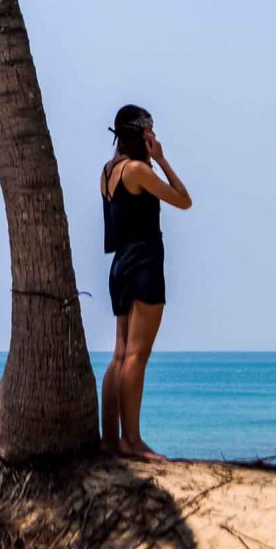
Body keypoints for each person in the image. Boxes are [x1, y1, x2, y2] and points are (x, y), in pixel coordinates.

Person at [99, 104, 191, 460]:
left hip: (120, 264)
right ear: (142, 135)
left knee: (120, 354)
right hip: (144, 263)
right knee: (137, 355)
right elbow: (184, 200)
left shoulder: (109, 171)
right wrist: (163, 161)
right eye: (150, 132)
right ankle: (132, 442)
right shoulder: (138, 171)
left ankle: (111, 441)